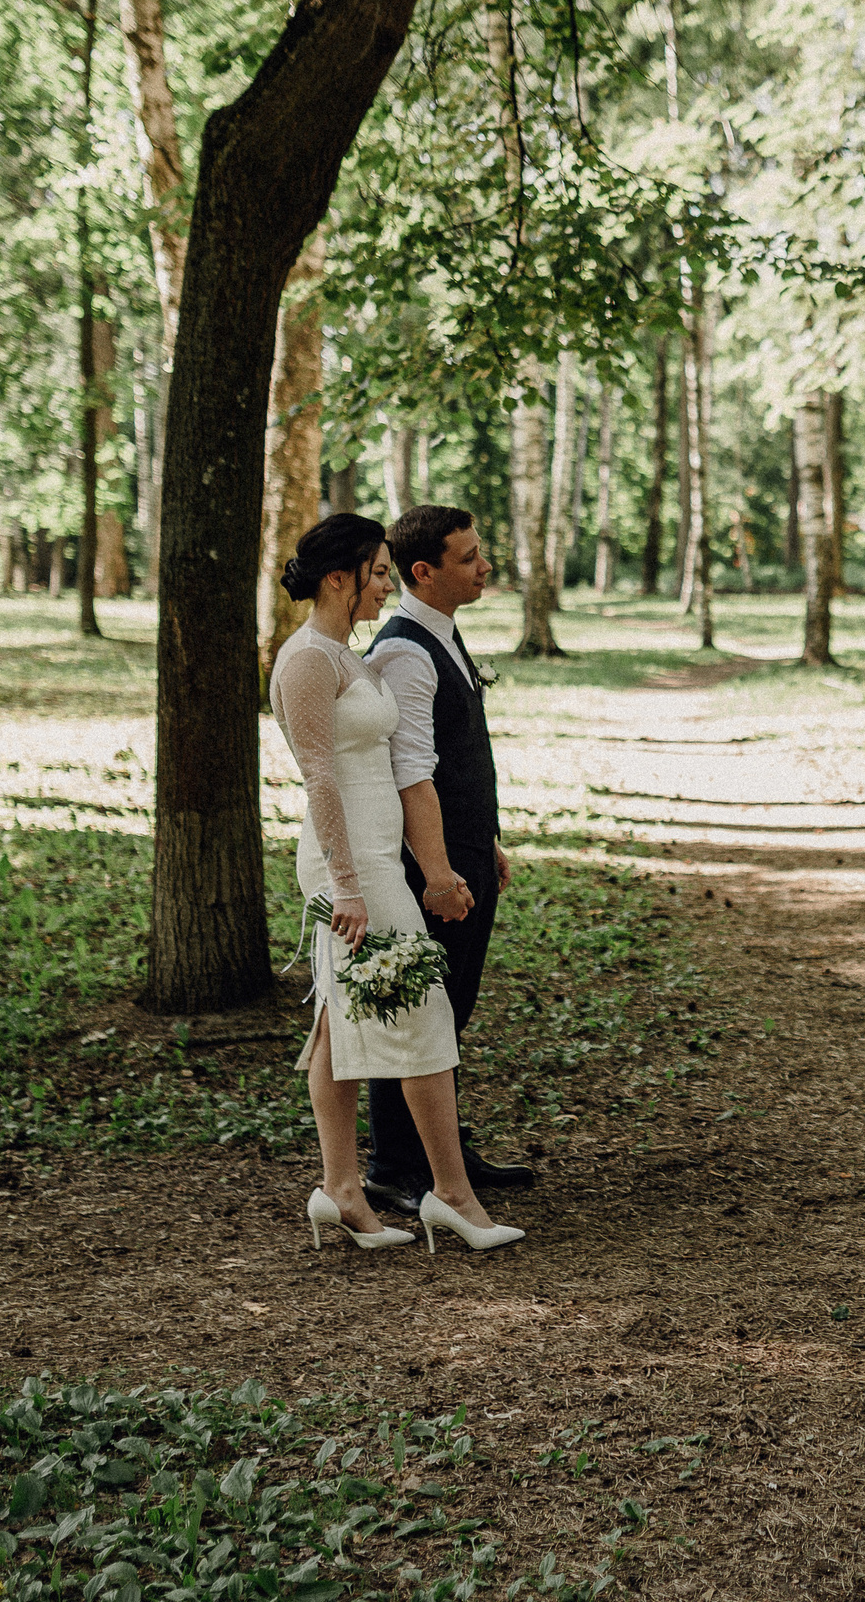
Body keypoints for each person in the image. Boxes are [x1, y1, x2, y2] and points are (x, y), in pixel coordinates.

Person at [270, 515, 524, 1255]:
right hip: (351, 867)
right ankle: (449, 1195)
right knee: (422, 1012)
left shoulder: (346, 656)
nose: (387, 583)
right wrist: (348, 885)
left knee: (336, 1025)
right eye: (378, 572)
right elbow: (319, 776)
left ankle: (342, 1191)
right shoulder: (306, 661)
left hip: (377, 856)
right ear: (337, 578)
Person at [359, 504, 537, 1217]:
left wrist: (483, 841)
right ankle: (393, 1165)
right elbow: (410, 772)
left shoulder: (442, 635)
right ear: (423, 572)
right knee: (415, 1008)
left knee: (449, 1008)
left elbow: (456, 761)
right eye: (468, 557)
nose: (484, 565)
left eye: (480, 551)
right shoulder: (403, 652)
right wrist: (436, 871)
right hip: (426, 864)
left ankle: (442, 1152)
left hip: (463, 850)